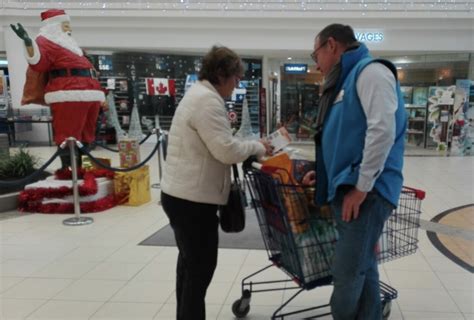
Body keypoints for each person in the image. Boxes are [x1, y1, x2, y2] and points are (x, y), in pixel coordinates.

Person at [302, 24, 407, 319]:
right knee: (364, 267)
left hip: (368, 194)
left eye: (316, 53)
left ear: (331, 45)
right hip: (352, 189)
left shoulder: (371, 72)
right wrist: (321, 172)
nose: (316, 62)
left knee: (346, 274)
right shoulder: (345, 80)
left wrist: (361, 187)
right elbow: (345, 138)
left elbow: (382, 131)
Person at [160, 45, 271, 320]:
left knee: (189, 266)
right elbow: (225, 150)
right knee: (200, 269)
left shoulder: (199, 95)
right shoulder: (207, 101)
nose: (237, 84)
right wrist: (256, 146)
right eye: (235, 77)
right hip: (192, 202)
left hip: (182, 196)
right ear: (221, 74)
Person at [11, 9, 105, 168]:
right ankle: (69, 172)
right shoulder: (45, 40)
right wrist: (28, 41)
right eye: (64, 24)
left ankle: (85, 169)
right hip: (67, 93)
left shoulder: (71, 44)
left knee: (87, 137)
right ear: (53, 25)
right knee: (67, 137)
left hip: (90, 93)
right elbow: (38, 62)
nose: (68, 28)